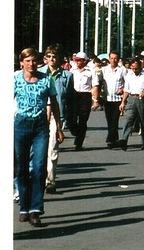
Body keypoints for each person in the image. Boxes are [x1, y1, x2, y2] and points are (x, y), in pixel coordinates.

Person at [14, 48, 64, 227]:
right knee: (21, 168)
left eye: (34, 60)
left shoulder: (46, 79)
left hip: (41, 126)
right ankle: (24, 208)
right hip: (20, 125)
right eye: (28, 61)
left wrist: (58, 127)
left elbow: (55, 104)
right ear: (22, 62)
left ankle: (36, 209)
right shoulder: (15, 78)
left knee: (39, 168)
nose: (31, 64)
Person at [38, 44, 73, 194]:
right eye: (49, 56)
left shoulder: (67, 75)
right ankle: (38, 177)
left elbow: (70, 98)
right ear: (45, 58)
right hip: (39, 114)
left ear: (59, 59)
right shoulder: (39, 73)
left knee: (52, 148)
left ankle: (50, 180)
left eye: (55, 56)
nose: (52, 59)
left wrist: (69, 119)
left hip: (56, 115)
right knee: (39, 149)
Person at [119, 56, 144, 150]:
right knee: (128, 119)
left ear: (140, 67)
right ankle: (124, 140)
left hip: (142, 98)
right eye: (132, 68)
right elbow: (126, 90)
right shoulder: (129, 75)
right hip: (131, 98)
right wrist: (123, 102)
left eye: (136, 68)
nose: (134, 70)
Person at [70, 51, 101, 150]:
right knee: (72, 119)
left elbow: (95, 86)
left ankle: (79, 143)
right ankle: (76, 132)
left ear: (85, 61)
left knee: (83, 120)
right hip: (74, 95)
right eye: (76, 60)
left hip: (85, 96)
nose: (78, 62)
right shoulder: (71, 71)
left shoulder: (91, 71)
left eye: (80, 60)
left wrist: (95, 100)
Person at [101, 51, 127, 149]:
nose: (113, 60)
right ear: (109, 59)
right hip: (107, 98)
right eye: (111, 58)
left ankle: (110, 140)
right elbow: (100, 82)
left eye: (115, 58)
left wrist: (123, 89)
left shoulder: (122, 70)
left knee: (115, 120)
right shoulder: (104, 70)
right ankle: (114, 140)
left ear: (118, 59)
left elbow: (127, 82)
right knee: (109, 120)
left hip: (117, 99)